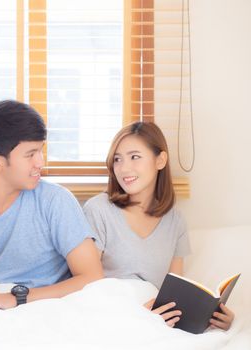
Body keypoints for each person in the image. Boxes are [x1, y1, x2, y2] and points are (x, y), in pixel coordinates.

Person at [0, 100, 103, 309]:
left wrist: (17, 299)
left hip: (45, 309)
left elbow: (92, 277)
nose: (40, 162)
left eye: (40, 151)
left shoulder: (55, 201)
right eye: (30, 154)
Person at [83, 121, 234, 330]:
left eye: (134, 157)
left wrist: (213, 316)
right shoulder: (98, 210)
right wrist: (136, 314)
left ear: (160, 160)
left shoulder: (175, 221)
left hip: (156, 318)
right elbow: (88, 286)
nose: (124, 168)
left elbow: (175, 291)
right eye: (117, 159)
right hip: (111, 316)